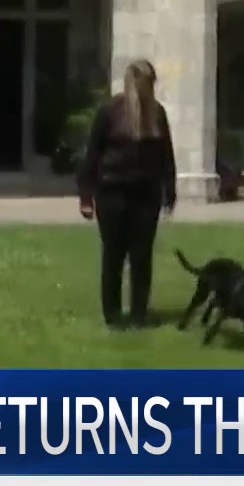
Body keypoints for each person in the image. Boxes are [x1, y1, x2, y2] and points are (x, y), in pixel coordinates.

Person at [77, 59, 177, 331]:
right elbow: (92, 154)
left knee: (141, 257)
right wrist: (86, 196)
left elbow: (166, 155)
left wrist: (170, 191)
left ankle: (138, 314)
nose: (148, 89)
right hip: (111, 192)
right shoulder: (110, 111)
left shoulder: (157, 113)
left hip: (146, 194)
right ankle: (112, 315)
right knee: (113, 255)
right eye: (145, 83)